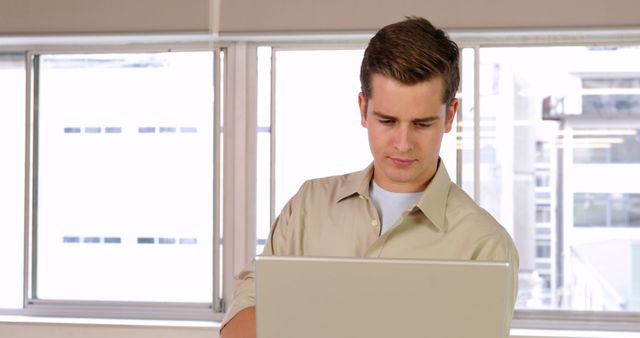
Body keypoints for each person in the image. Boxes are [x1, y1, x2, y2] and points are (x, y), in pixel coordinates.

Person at [219, 16, 519, 338]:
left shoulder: (485, 246)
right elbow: (241, 319)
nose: (403, 144)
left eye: (422, 124)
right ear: (363, 110)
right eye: (387, 121)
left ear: (450, 116)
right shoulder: (308, 207)